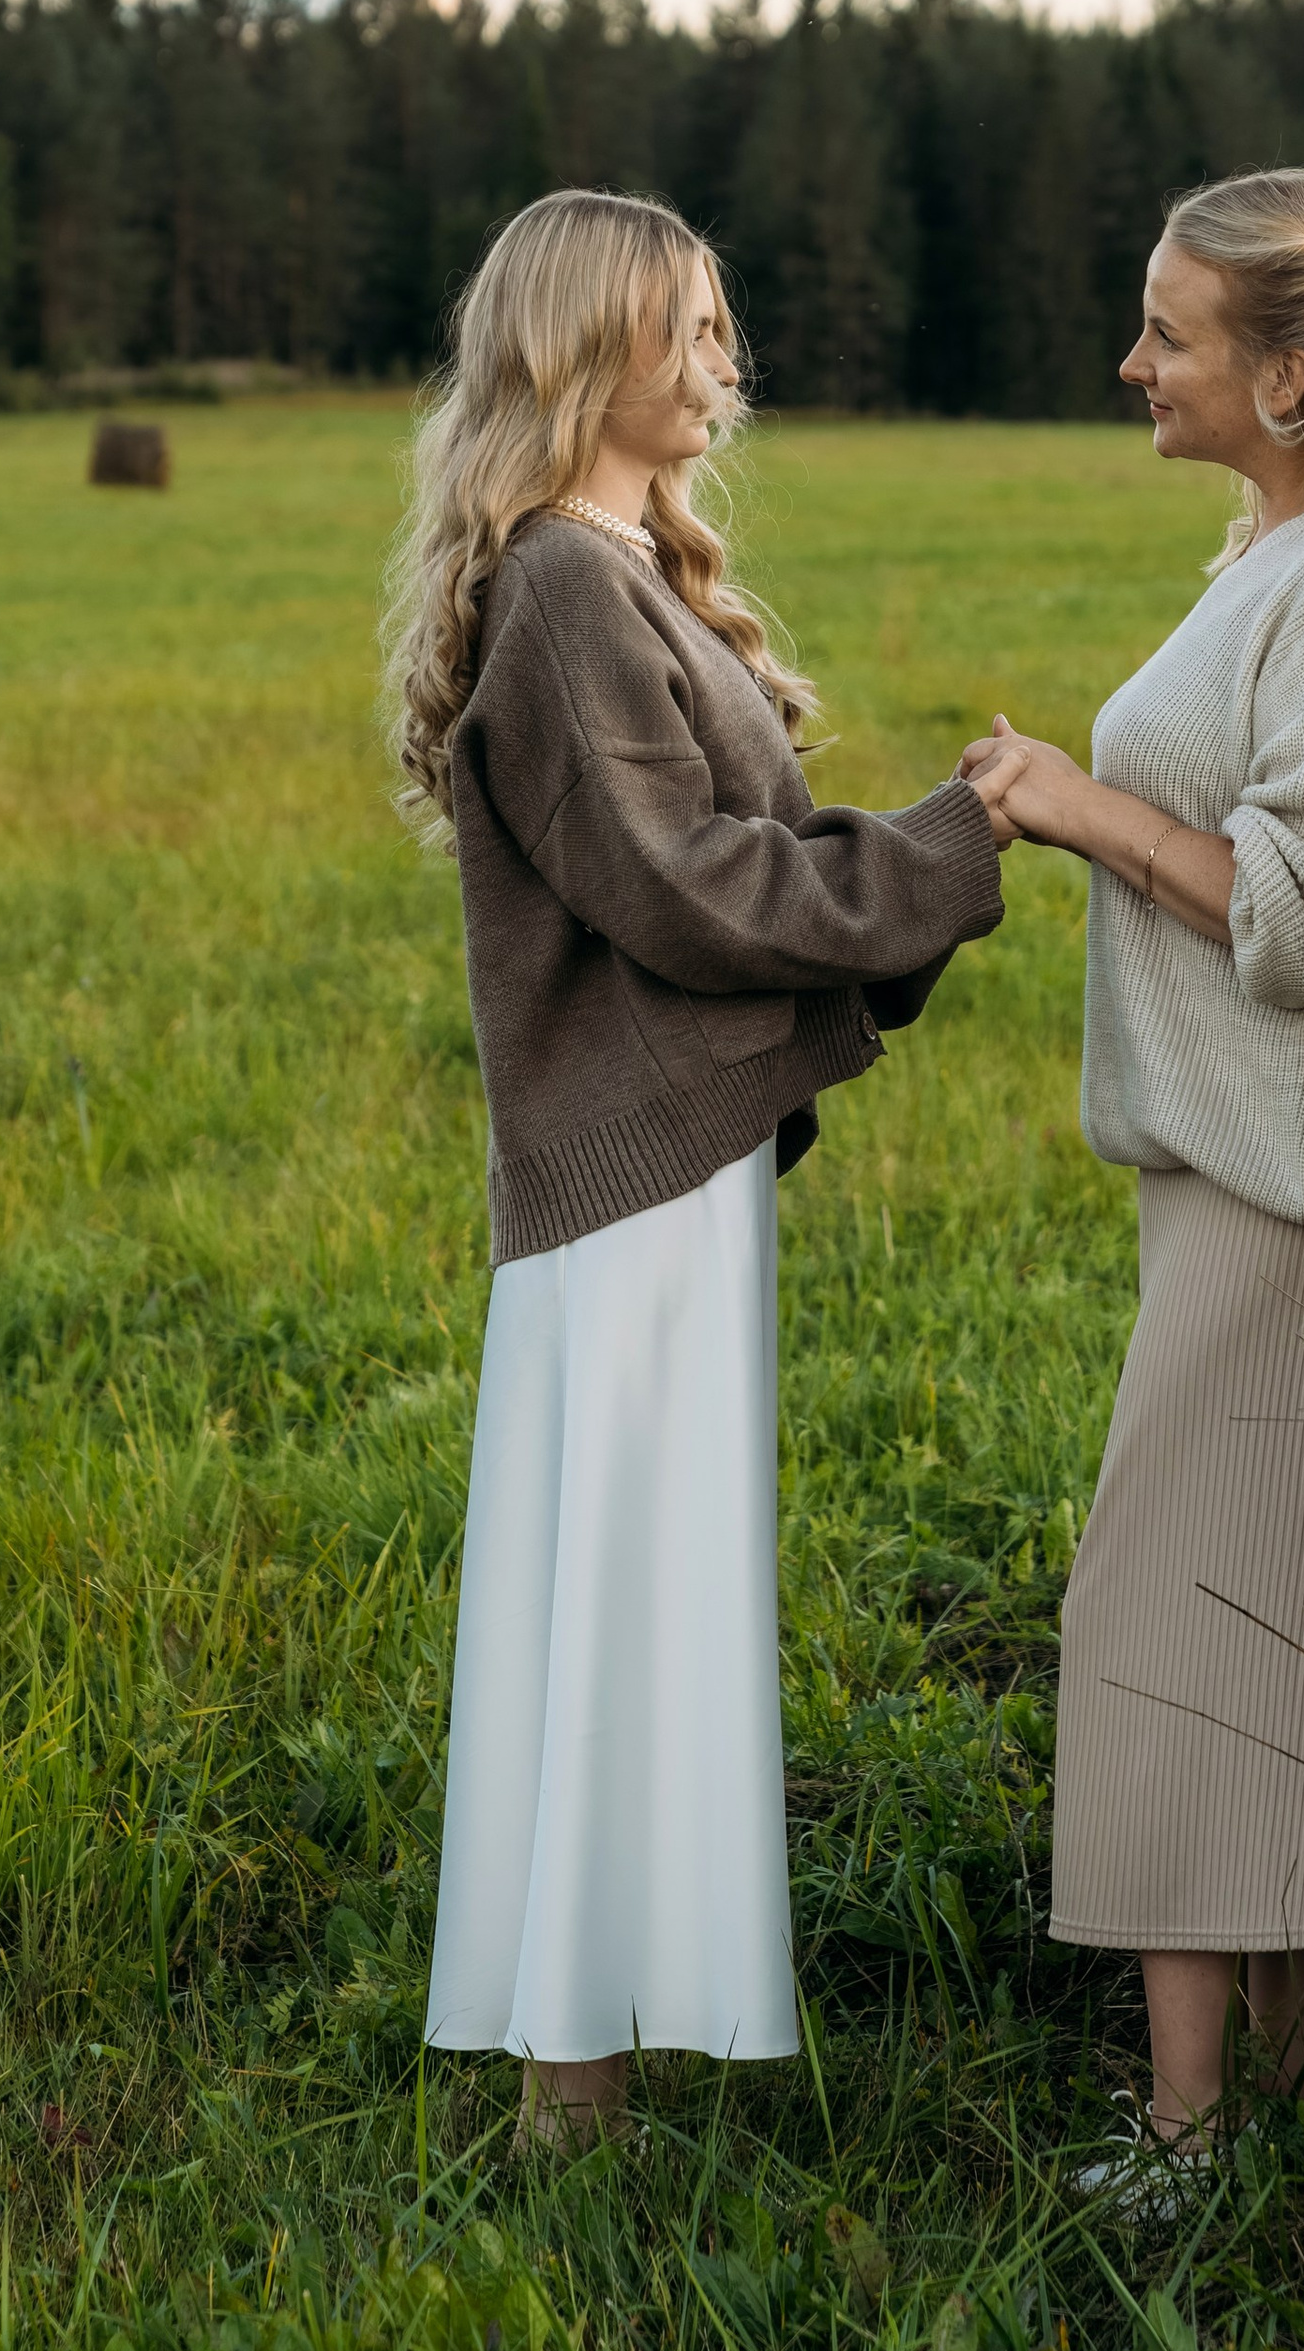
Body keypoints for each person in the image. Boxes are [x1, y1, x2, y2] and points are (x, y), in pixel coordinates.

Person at [384, 186, 1014, 2146]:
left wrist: (909, 858)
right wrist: (948, 846)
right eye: (693, 324)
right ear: (590, 349)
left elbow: (727, 865)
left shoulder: (617, 564)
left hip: (668, 1181)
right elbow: (681, 890)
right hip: (624, 1191)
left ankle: (599, 2046)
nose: (728, 358)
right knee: (612, 1591)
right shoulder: (570, 590)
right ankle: (568, 2088)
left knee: (644, 1587)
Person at [961, 167, 1304, 2173]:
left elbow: (1297, 922)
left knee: (1158, 1626)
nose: (1129, 363)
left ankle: (1189, 2148)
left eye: (1165, 332)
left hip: (1285, 1203)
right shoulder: (1267, 554)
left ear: (1281, 369)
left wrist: (1076, 809)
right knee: (1259, 1643)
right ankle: (1272, 2112)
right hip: (1225, 1189)